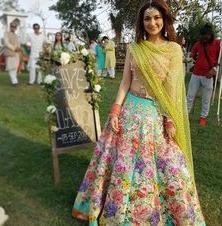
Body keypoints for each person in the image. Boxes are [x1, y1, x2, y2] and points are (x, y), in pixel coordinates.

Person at [72, 0, 205, 225]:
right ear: (141, 22)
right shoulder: (135, 48)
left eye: (156, 18)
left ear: (164, 20)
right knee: (121, 163)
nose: (152, 23)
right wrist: (115, 111)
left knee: (169, 166)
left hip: (154, 114)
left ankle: (169, 212)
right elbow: (125, 82)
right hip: (129, 112)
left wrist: (169, 120)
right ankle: (113, 209)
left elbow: (171, 90)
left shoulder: (173, 49)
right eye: (147, 18)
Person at [187, 24, 221, 126]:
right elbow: (191, 54)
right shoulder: (198, 43)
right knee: (190, 96)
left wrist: (214, 69)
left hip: (208, 75)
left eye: (205, 36)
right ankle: (186, 115)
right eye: (201, 36)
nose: (203, 38)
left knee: (206, 98)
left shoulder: (218, 44)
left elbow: (221, 59)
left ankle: (203, 117)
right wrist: (190, 56)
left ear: (210, 35)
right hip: (196, 74)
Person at [3, 22, 21, 86]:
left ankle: (14, 80)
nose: (13, 28)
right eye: (12, 27)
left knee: (15, 67)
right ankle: (14, 82)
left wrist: (19, 47)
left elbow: (18, 43)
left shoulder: (16, 35)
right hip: (10, 53)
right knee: (11, 67)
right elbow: (6, 43)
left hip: (17, 53)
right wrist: (14, 48)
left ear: (16, 28)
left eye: (14, 27)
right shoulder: (6, 34)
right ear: (10, 27)